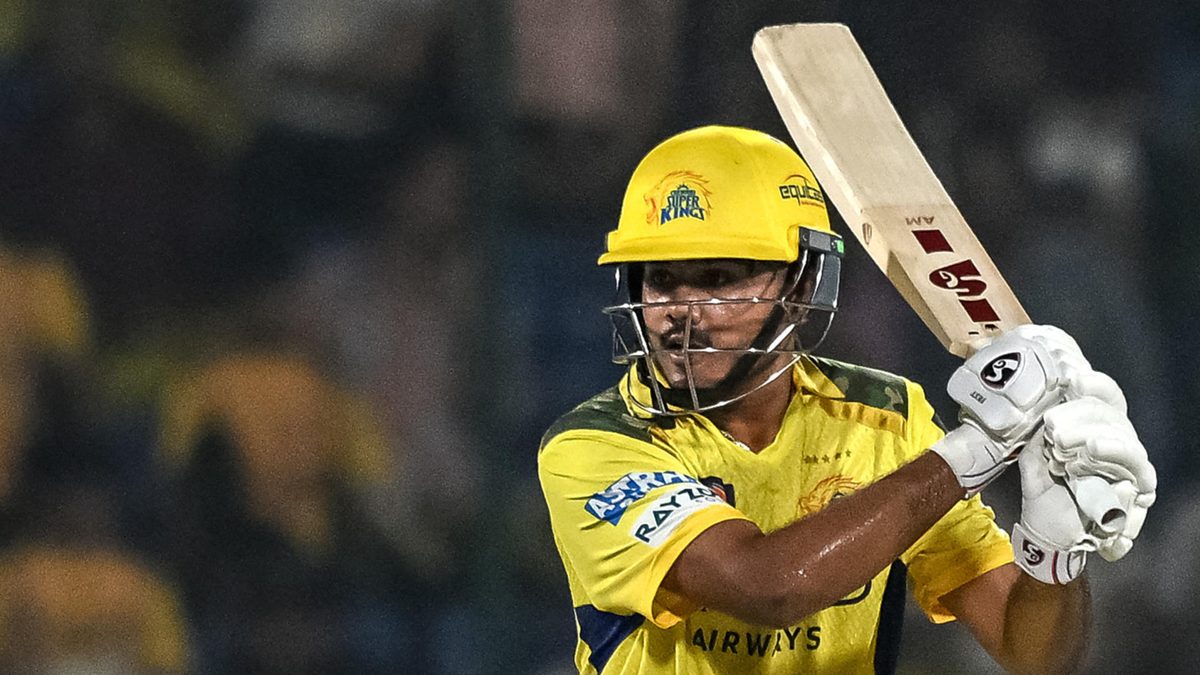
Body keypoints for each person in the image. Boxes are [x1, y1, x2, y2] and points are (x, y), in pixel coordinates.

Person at [537, 126, 1157, 674]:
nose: (678, 313)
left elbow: (1034, 657)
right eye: (660, 278)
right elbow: (767, 589)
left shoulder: (886, 421)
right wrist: (976, 451)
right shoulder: (595, 445)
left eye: (718, 278)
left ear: (801, 283)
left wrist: (1052, 543)